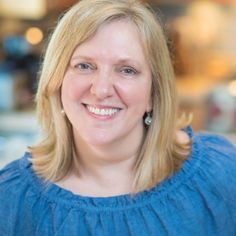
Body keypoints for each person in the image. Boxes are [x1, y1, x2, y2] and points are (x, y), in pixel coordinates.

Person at [0, 0, 235, 235]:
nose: (101, 90)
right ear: (57, 80)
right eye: (84, 66)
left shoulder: (221, 175)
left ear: (154, 93)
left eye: (127, 70)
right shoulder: (11, 200)